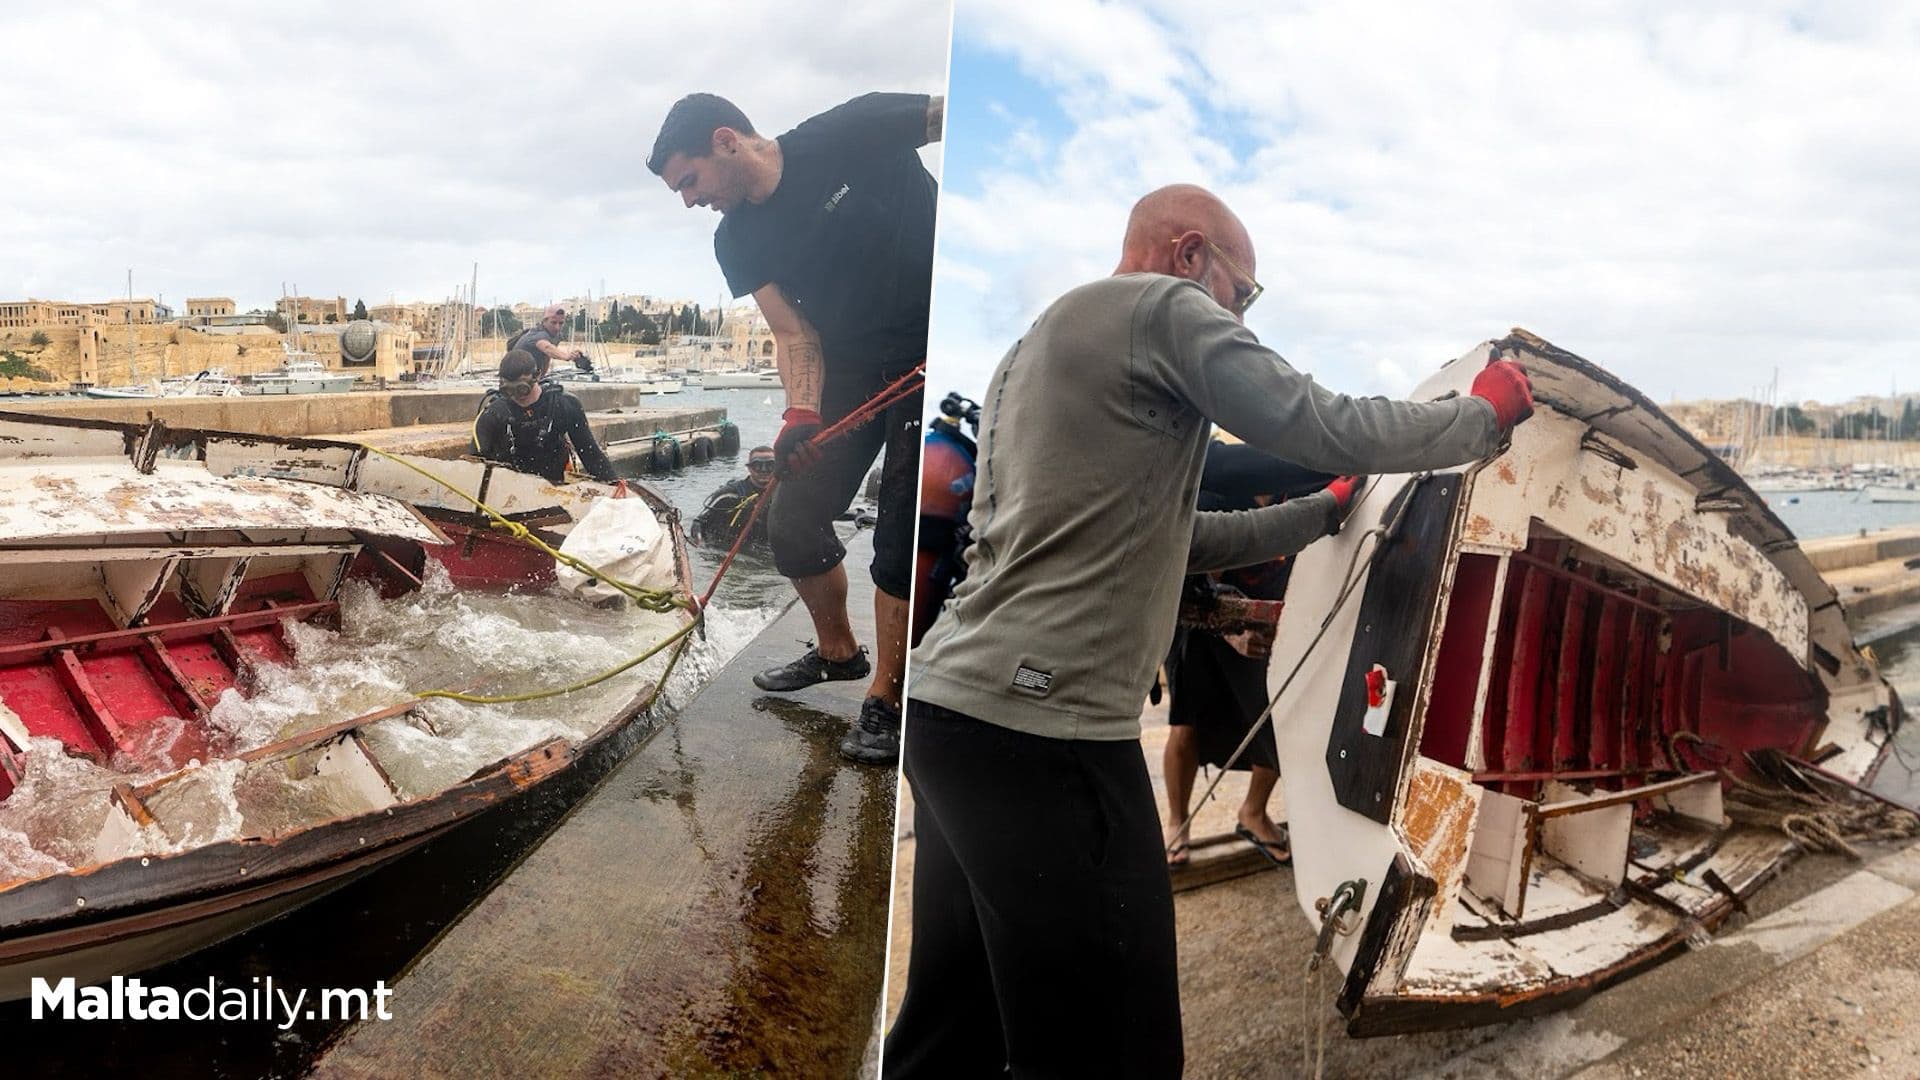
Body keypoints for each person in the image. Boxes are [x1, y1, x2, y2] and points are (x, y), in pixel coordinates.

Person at [890, 184, 1536, 1078]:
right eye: (1244, 294)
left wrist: (1322, 514)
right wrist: (1481, 417)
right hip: (1045, 737)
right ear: (1191, 255)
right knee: (1117, 1053)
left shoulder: (1032, 350)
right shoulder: (1160, 307)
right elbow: (1319, 420)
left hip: (951, 720)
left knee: (951, 1030)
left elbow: (1175, 537)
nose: (1240, 319)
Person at [647, 90, 942, 765]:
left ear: (726, 140)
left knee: (900, 535)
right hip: (849, 369)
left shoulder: (851, 129)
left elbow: (963, 116)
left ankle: (887, 698)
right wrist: (801, 413)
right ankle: (838, 652)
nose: (689, 201)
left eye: (689, 180)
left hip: (931, 352)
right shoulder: (736, 238)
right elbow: (793, 334)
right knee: (793, 519)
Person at [1162, 441, 1335, 870]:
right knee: (1186, 724)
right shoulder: (1215, 488)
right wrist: (1230, 629)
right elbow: (1194, 580)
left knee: (1276, 719)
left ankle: (1252, 812)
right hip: (1198, 619)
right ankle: (1176, 822)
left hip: (1261, 622)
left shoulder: (1302, 491)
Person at [472, 349, 618, 484]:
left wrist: (614, 485)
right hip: (508, 488)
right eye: (508, 391)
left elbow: (590, 454)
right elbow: (474, 465)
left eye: (521, 389)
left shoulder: (563, 405)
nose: (515, 396)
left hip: (555, 487)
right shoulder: (492, 414)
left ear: (537, 376)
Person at [690, 444, 777, 548]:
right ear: (749, 468)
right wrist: (700, 544)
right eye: (757, 466)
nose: (764, 470)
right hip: (727, 546)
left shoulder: (783, 496)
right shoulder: (729, 494)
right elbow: (698, 523)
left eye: (770, 466)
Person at [513, 304, 595, 376]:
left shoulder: (556, 335)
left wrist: (542, 377)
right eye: (553, 322)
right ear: (544, 321)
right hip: (516, 375)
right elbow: (546, 347)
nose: (557, 327)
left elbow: (547, 356)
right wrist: (566, 356)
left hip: (532, 375)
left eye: (561, 323)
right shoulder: (540, 334)